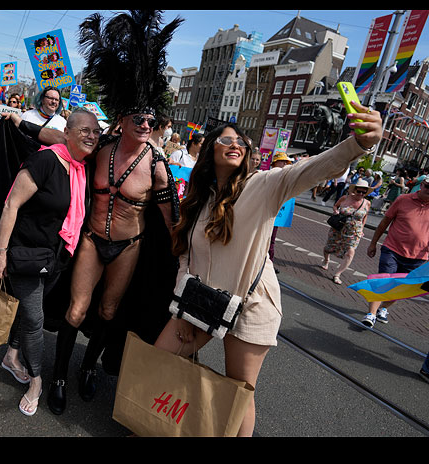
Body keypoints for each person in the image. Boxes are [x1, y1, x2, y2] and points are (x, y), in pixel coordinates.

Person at [152, 103, 382, 437]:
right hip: (202, 302)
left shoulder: (264, 185)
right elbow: (186, 255)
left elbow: (312, 169)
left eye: (242, 142)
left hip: (251, 307)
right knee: (161, 360)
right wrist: (183, 308)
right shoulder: (199, 198)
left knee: (239, 393)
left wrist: (359, 144)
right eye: (225, 139)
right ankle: (152, 424)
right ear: (208, 149)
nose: (235, 144)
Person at [47, 10, 183, 416]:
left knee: (108, 311)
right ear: (121, 118)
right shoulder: (99, 148)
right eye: (138, 117)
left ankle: (89, 368)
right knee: (76, 309)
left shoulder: (158, 165)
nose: (146, 123)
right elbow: (64, 140)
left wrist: (187, 249)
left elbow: (169, 221)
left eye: (151, 119)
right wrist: (21, 123)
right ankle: (57, 375)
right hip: (91, 239)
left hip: (128, 247)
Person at [0, 107, 100, 416]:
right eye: (84, 131)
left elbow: (73, 137)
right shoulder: (45, 160)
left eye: (95, 131)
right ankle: (37, 381)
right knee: (35, 319)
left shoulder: (82, 166)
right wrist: (1, 252)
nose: (91, 136)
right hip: (26, 253)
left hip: (57, 257)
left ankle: (12, 355)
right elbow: (11, 204)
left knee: (28, 314)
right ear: (67, 133)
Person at [362, 177, 429, 328]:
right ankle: (371, 314)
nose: (428, 190)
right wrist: (373, 243)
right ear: (422, 185)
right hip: (392, 249)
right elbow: (384, 222)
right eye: (427, 186)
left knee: (401, 288)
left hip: (418, 257)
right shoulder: (403, 199)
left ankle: (383, 308)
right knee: (384, 281)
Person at [320, 178, 372, 284]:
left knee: (350, 252)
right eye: (359, 191)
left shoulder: (367, 203)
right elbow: (335, 206)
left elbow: (365, 216)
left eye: (364, 192)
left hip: (354, 231)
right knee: (328, 248)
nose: (361, 194)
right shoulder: (345, 198)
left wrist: (362, 228)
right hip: (339, 228)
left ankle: (337, 274)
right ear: (355, 190)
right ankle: (326, 260)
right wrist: (335, 211)